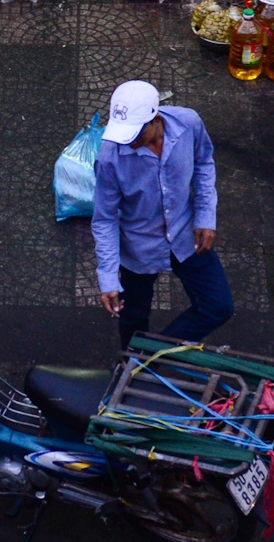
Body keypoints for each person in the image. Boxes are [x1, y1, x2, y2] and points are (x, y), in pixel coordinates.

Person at [91, 80, 231, 350]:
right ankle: (133, 365)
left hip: (186, 236)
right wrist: (108, 277)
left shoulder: (188, 123)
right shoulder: (110, 158)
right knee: (133, 316)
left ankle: (151, 357)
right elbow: (105, 219)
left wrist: (205, 215)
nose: (127, 140)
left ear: (155, 120)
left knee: (218, 307)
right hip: (139, 249)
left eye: (134, 133)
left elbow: (204, 162)